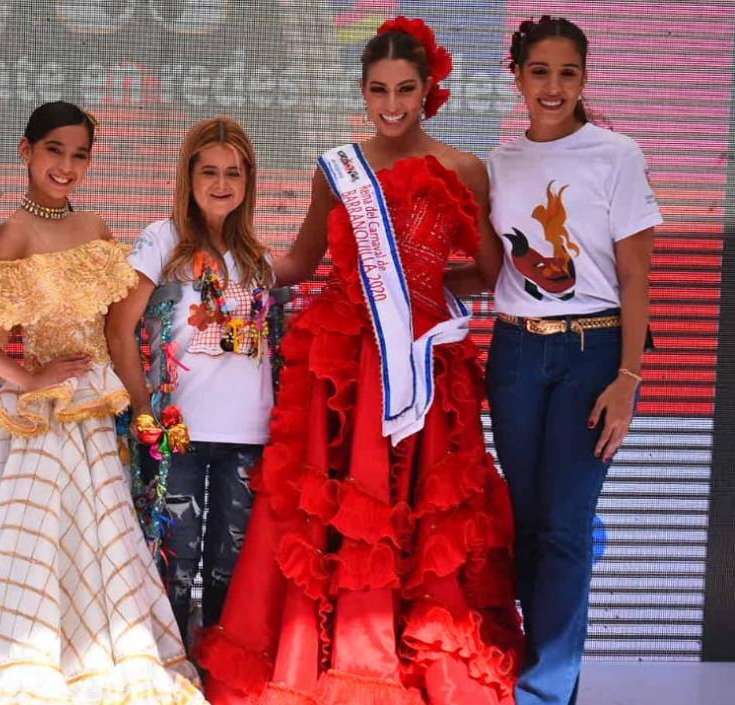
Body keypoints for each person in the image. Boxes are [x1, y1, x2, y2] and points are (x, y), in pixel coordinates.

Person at [196, 17, 523, 705]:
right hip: (343, 359)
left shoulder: (466, 169)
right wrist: (228, 261)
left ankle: (417, 660)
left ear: (431, 89)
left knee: (425, 511)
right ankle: (336, 659)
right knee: (339, 510)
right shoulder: (337, 166)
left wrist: (424, 291)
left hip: (421, 360)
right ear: (363, 90)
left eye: (406, 88)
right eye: (378, 89)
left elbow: (489, 272)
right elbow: (302, 261)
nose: (392, 103)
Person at [0, 101, 204, 705]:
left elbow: (119, 323)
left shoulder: (96, 227)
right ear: (26, 152)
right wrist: (27, 375)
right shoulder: (16, 230)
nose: (66, 166)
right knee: (34, 542)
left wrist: (142, 400)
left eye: (79, 155)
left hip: (94, 412)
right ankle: (26, 675)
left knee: (98, 542)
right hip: (40, 421)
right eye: (54, 151)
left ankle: (92, 670)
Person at [481, 16, 659, 705]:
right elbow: (494, 271)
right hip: (516, 350)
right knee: (529, 527)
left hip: (594, 348)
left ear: (585, 79)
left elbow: (637, 276)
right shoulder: (499, 164)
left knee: (562, 526)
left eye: (568, 73)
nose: (552, 87)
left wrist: (628, 379)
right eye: (540, 72)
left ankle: (544, 693)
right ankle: (546, 672)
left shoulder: (616, 154)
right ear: (518, 77)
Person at [107, 115, 308, 649]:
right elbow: (118, 329)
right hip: (179, 435)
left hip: (248, 438)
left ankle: (223, 674)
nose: (222, 185)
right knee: (173, 564)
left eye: (234, 174)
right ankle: (167, 675)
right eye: (210, 172)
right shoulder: (161, 240)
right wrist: (142, 406)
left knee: (231, 569)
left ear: (250, 182)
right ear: (188, 179)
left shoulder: (257, 259)